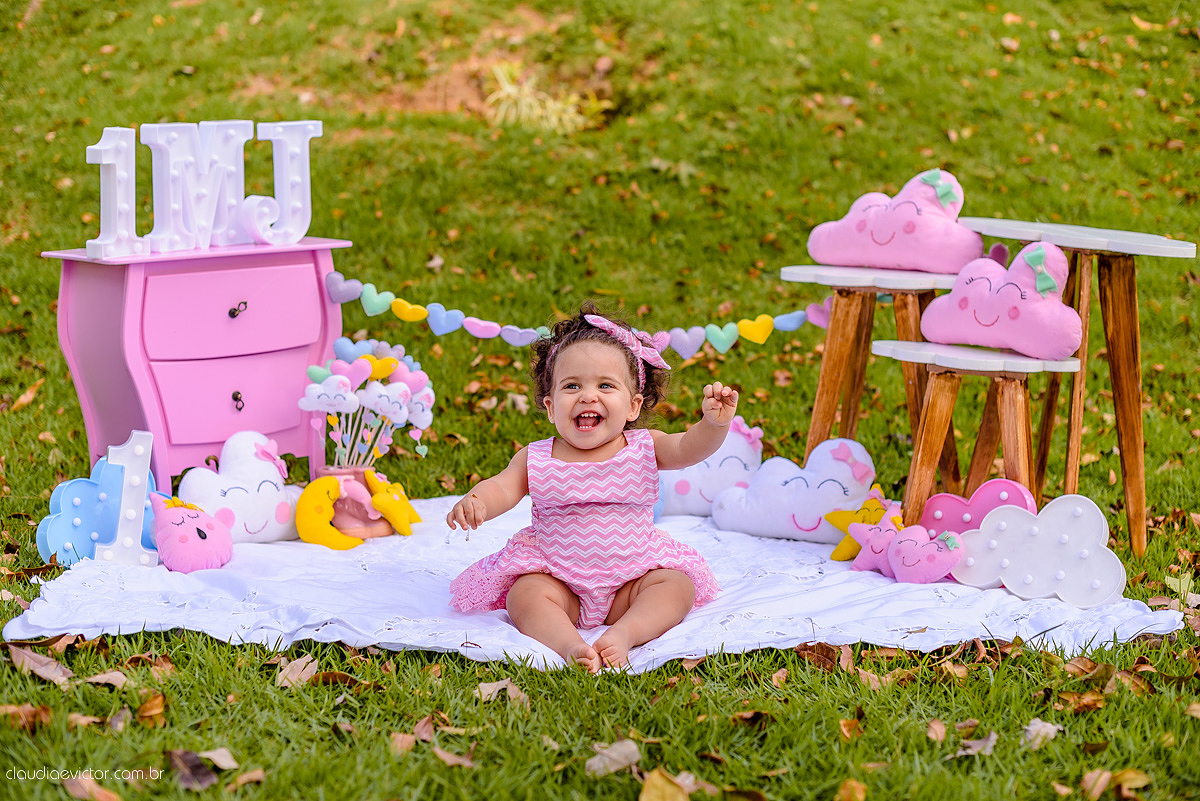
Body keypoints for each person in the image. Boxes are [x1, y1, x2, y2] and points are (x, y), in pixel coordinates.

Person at [447, 303, 737, 672]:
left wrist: (712, 426)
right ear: (550, 407)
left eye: (605, 385)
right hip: (558, 580)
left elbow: (688, 449)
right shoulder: (537, 457)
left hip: (631, 580)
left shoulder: (644, 446)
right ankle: (569, 644)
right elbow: (503, 488)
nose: (588, 396)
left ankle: (626, 633)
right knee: (525, 594)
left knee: (676, 585)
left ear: (632, 406)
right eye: (572, 386)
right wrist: (478, 501)